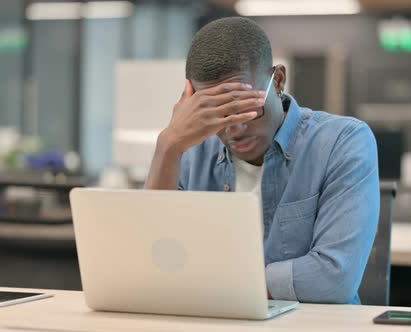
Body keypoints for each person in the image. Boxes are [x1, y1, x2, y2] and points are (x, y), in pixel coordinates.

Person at [145, 17, 379, 304]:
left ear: (278, 80)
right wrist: (167, 144)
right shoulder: (188, 151)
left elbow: (333, 279)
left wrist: (215, 282)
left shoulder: (343, 142)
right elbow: (152, 265)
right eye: (218, 115)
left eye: (246, 109)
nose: (235, 129)